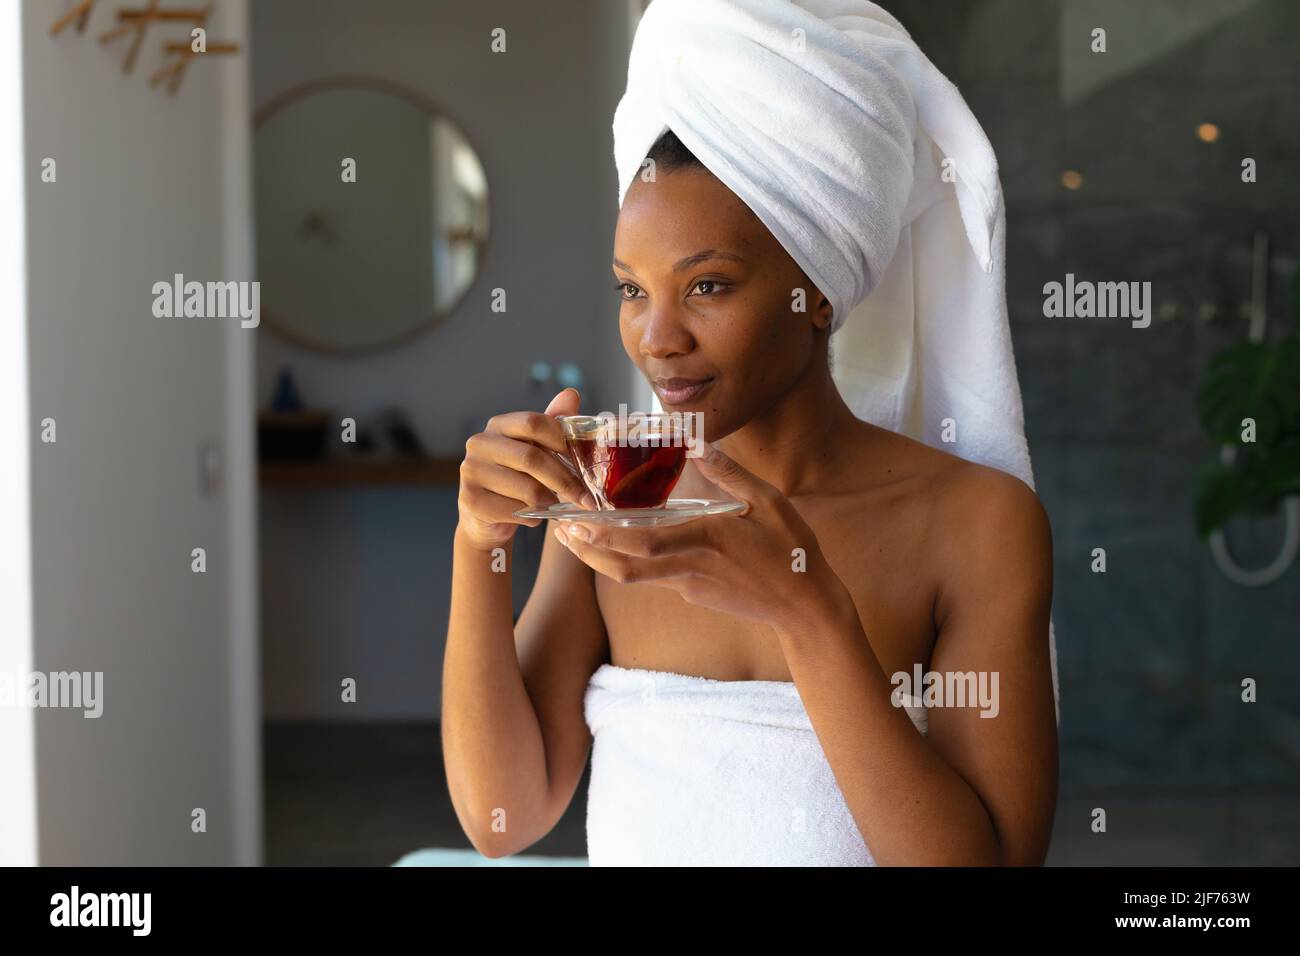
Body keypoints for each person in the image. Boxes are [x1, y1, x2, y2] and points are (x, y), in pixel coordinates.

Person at [442, 0, 1058, 866]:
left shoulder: (976, 525)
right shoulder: (618, 489)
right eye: (631, 289)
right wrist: (480, 545)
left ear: (818, 290)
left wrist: (810, 615)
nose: (657, 338)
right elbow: (501, 822)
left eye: (708, 287)